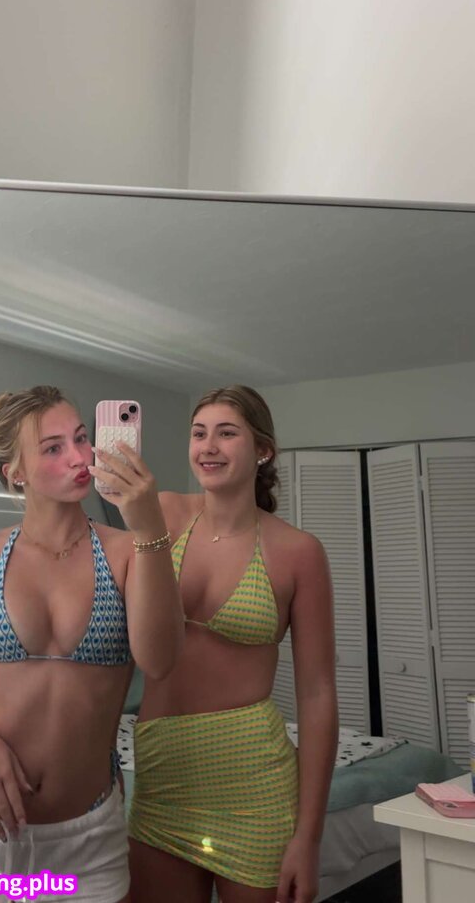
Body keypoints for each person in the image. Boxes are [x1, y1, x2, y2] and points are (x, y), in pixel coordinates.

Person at [0, 384, 184, 903]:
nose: (79, 457)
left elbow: (161, 660)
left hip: (87, 839)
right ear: (15, 472)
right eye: (53, 447)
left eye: (80, 438)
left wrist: (149, 527)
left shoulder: (129, 550)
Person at [129, 385, 338, 903]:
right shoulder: (162, 514)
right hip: (163, 774)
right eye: (199, 433)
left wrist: (309, 838)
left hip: (253, 784)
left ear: (262, 450)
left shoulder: (298, 552)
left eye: (227, 433)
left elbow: (317, 695)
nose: (208, 446)